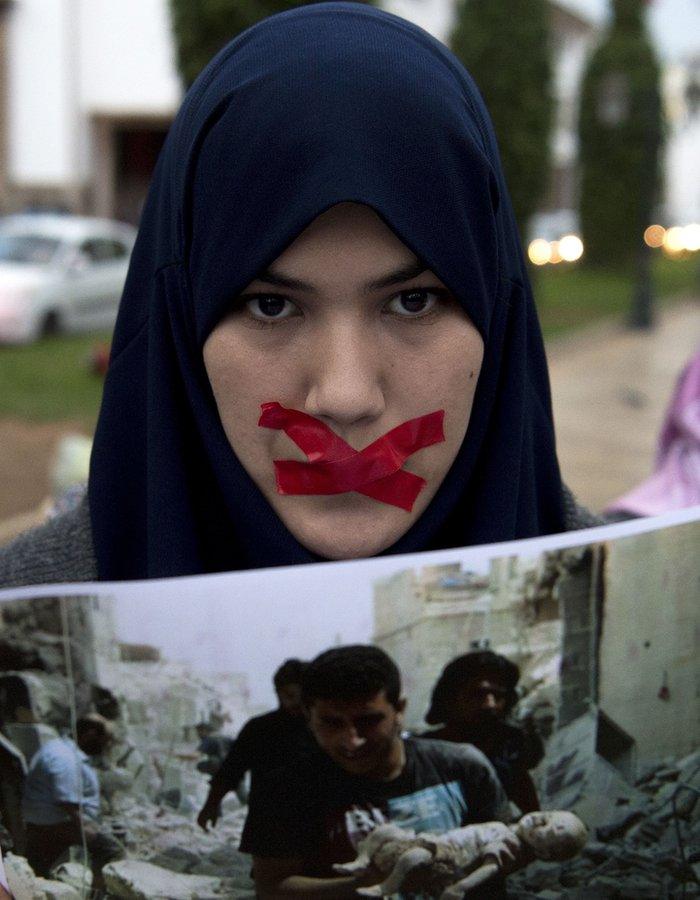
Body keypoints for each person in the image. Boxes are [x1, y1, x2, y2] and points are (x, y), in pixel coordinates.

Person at [0, 3, 599, 588]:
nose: (345, 397)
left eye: (413, 301)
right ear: (182, 323)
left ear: (496, 315)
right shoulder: (24, 619)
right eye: (271, 305)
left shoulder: (662, 622)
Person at [239, 645, 511, 898]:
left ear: (399, 710)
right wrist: (368, 884)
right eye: (332, 723)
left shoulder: (463, 768)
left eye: (368, 721)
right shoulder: (285, 790)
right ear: (309, 718)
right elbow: (272, 886)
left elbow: (503, 856)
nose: (352, 740)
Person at [197, 658, 313, 830]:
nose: (296, 703)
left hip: (315, 827)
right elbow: (230, 771)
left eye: (302, 697)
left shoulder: (323, 729)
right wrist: (211, 805)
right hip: (268, 826)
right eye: (289, 696)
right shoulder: (259, 729)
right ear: (278, 694)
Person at [421, 651, 544, 814]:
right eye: (478, 694)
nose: (490, 704)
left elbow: (531, 816)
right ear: (451, 698)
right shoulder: (426, 755)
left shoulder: (508, 751)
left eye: (498, 695)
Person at [22, 714, 123, 891]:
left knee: (38, 865)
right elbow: (67, 802)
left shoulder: (62, 748)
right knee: (111, 850)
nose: (105, 747)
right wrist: (88, 829)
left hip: (47, 820)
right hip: (55, 822)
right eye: (104, 741)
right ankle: (97, 895)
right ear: (90, 734)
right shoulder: (65, 758)